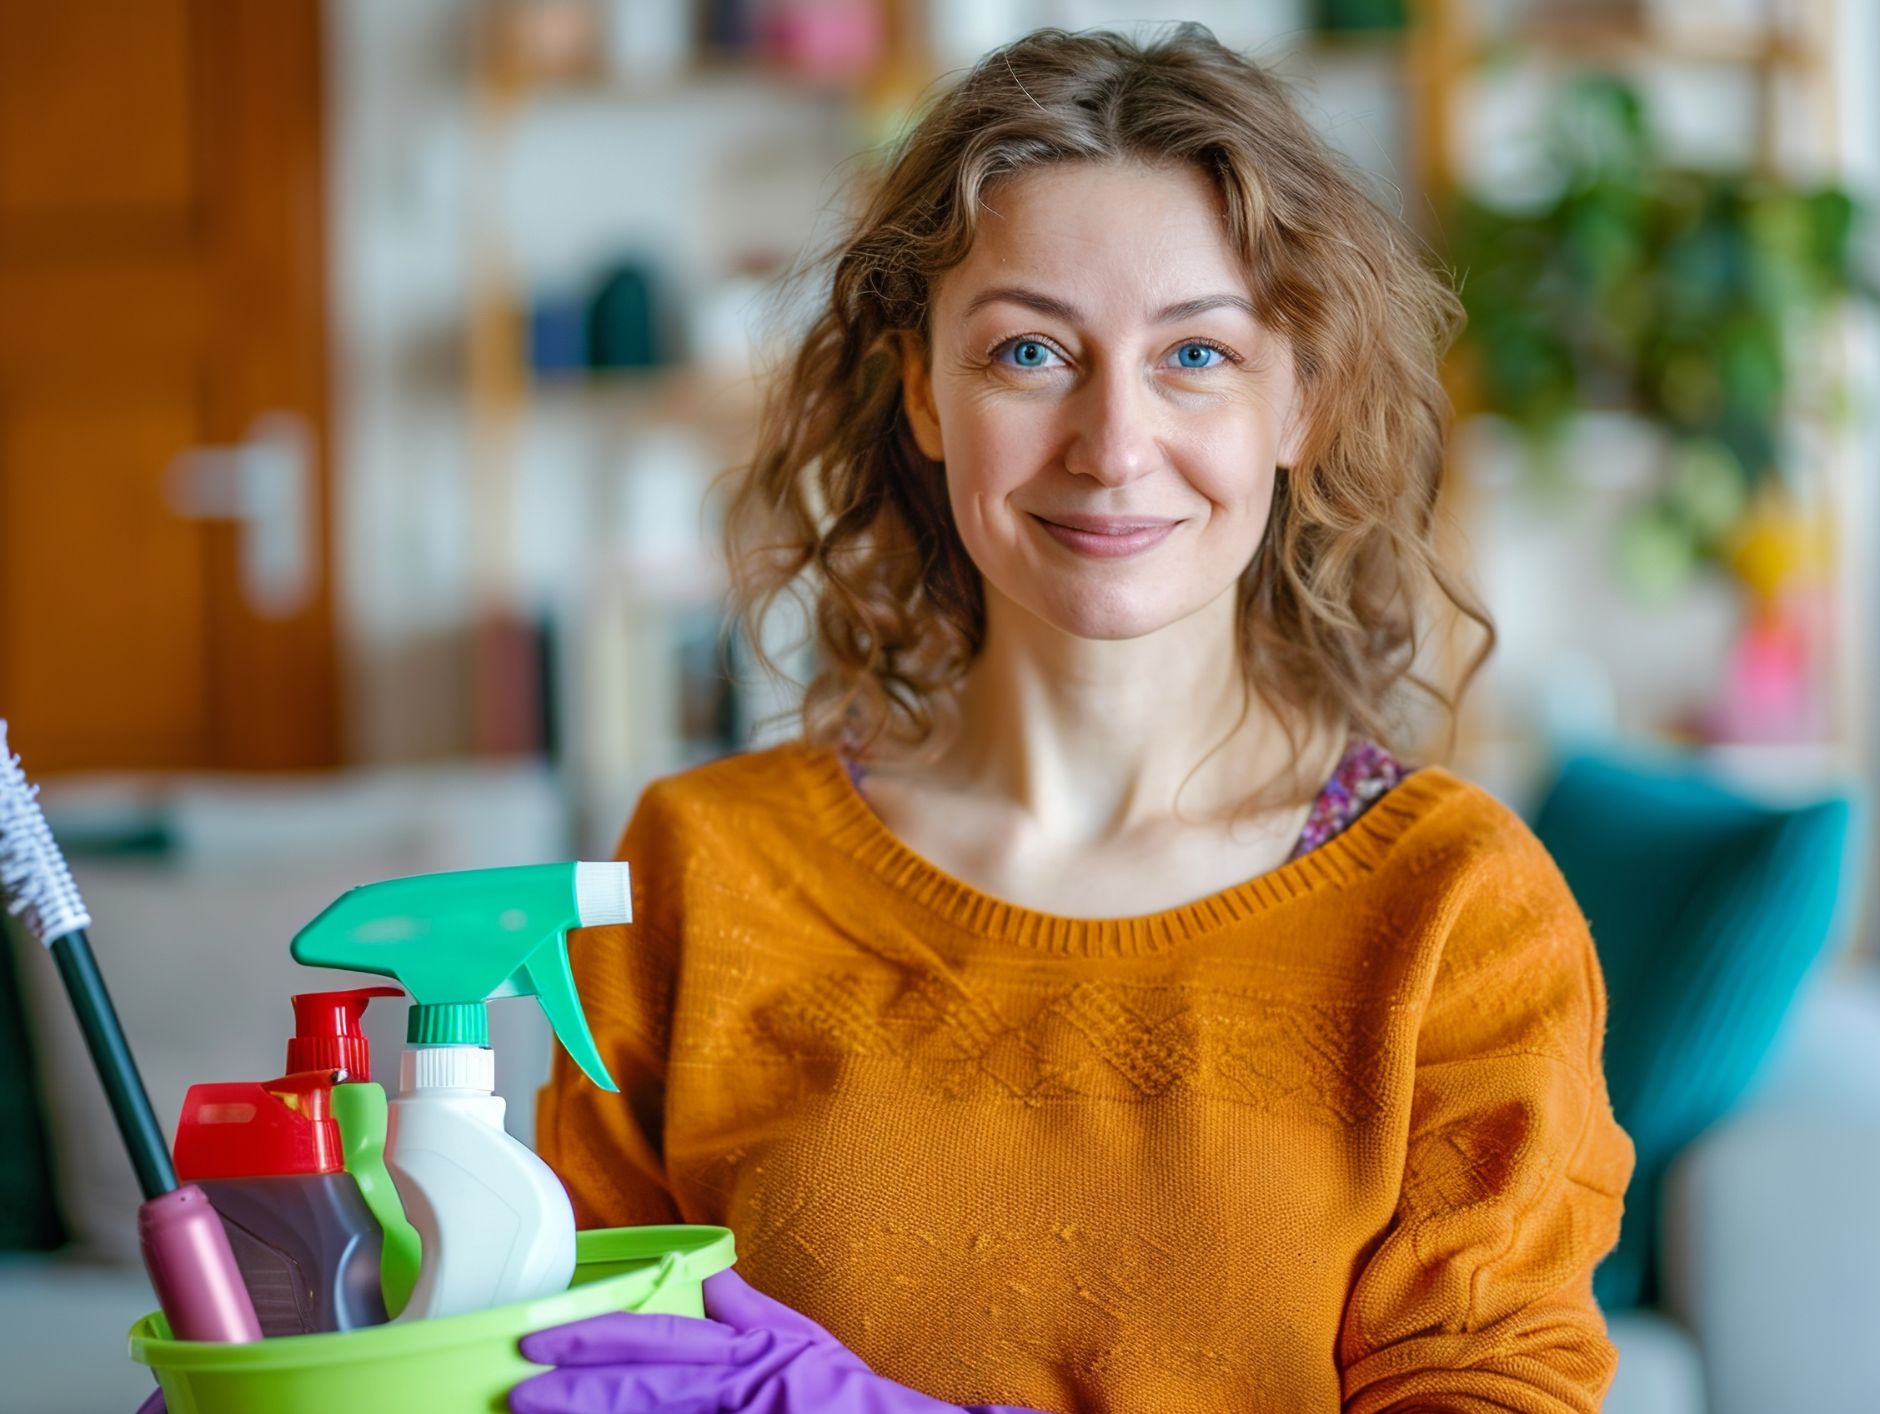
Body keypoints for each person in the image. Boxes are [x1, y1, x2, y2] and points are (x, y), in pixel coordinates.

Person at [514, 24, 1635, 1414]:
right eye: (1032, 350)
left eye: (1198, 356)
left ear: (1304, 398)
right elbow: (561, 1364)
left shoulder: (1457, 910)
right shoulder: (689, 871)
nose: (1111, 445)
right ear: (923, 388)